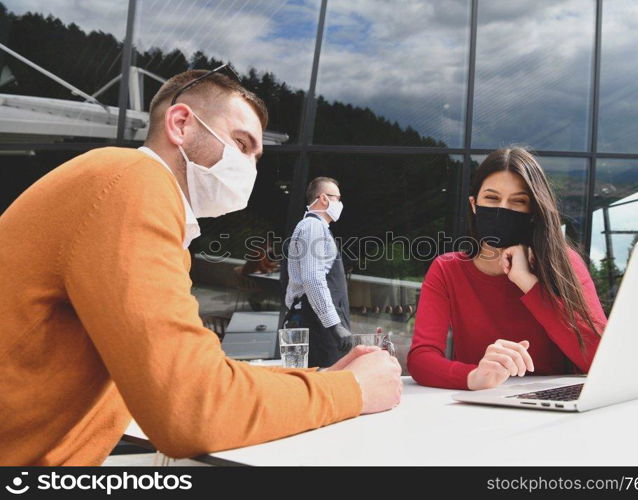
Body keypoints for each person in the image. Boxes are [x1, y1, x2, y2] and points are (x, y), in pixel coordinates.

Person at [0, 67, 402, 466]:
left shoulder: (120, 187)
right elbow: (191, 405)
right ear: (180, 124)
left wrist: (324, 381)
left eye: (256, 157)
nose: (250, 167)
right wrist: (353, 390)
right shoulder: (132, 183)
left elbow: (192, 374)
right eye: (241, 144)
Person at [407, 147, 607, 390]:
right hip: (479, 404)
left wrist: (528, 282)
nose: (503, 209)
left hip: (553, 406)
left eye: (518, 201)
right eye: (492, 198)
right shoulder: (447, 270)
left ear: (534, 210)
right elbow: (421, 359)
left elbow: (601, 358)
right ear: (474, 204)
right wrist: (474, 377)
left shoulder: (565, 263)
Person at [280, 177, 353, 368]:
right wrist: (334, 325)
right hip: (316, 325)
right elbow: (313, 279)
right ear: (323, 199)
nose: (340, 203)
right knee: (324, 385)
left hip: (316, 322)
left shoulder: (315, 227)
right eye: (337, 198)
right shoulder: (313, 227)